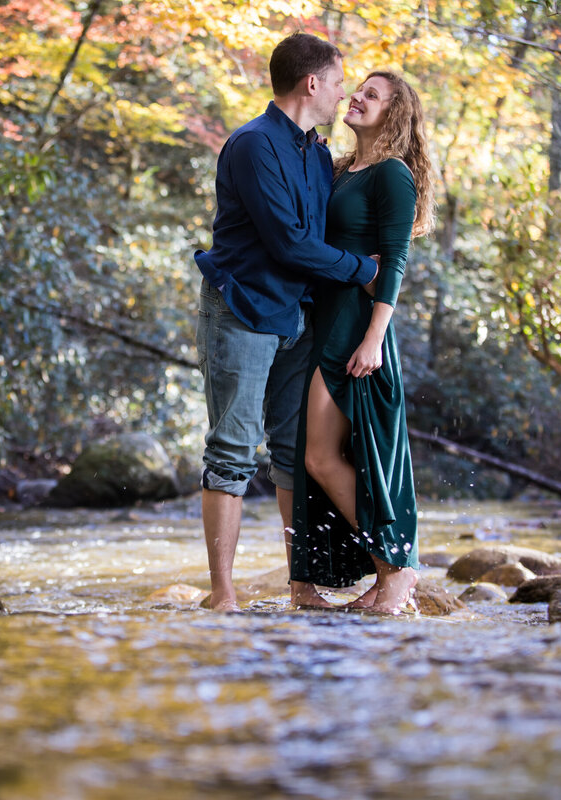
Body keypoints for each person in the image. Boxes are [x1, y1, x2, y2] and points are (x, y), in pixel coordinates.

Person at [194, 33, 379, 612]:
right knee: (231, 449)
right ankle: (222, 595)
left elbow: (321, 234)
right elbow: (289, 243)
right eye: (341, 82)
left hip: (298, 318)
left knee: (292, 452)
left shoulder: (317, 153)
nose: (344, 93)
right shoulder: (252, 145)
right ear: (312, 83)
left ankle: (301, 585)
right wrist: (361, 270)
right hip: (243, 312)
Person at [290, 71, 436, 614]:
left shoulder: (392, 175)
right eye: (358, 90)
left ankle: (399, 569)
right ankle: (382, 574)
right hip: (325, 320)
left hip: (357, 327)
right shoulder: (342, 169)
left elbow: (394, 263)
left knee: (324, 456)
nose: (357, 98)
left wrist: (375, 339)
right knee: (330, 455)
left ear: (394, 114)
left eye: (371, 95)